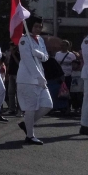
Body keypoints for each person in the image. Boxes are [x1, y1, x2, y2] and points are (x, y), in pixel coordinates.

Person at [15, 17, 51, 145]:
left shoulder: (40, 39)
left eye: (40, 27)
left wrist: (39, 54)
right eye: (36, 26)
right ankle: (30, 136)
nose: (38, 29)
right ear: (30, 27)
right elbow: (28, 61)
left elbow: (46, 57)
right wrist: (38, 76)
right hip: (28, 78)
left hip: (40, 77)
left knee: (48, 104)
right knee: (31, 108)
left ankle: (26, 124)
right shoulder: (24, 40)